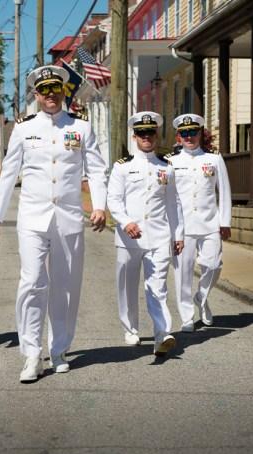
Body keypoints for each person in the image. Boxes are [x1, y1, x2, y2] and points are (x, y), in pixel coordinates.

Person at [0, 65, 108, 382]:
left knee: (65, 286)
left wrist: (100, 205)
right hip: (31, 218)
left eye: (56, 89)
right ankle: (31, 354)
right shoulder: (24, 129)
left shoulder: (81, 128)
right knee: (32, 282)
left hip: (68, 218)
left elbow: (96, 170)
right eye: (45, 91)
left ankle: (59, 350)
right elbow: (9, 174)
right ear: (37, 95)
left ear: (63, 92)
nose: (51, 95)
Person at [107, 111, 184, 356]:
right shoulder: (123, 167)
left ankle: (162, 333)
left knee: (158, 287)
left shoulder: (167, 167)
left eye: (150, 132)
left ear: (157, 134)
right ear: (134, 136)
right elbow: (114, 199)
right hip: (129, 238)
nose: (146, 137)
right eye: (141, 133)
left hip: (159, 236)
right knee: (127, 286)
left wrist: (178, 234)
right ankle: (131, 328)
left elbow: (174, 205)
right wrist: (125, 221)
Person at [168, 114, 232, 332]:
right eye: (184, 133)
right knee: (183, 273)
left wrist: (225, 222)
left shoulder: (214, 159)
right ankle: (187, 316)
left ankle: (201, 298)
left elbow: (224, 192)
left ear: (200, 134)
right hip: (182, 228)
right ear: (179, 136)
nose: (189, 137)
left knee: (214, 266)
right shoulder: (171, 162)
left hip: (210, 224)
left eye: (193, 132)